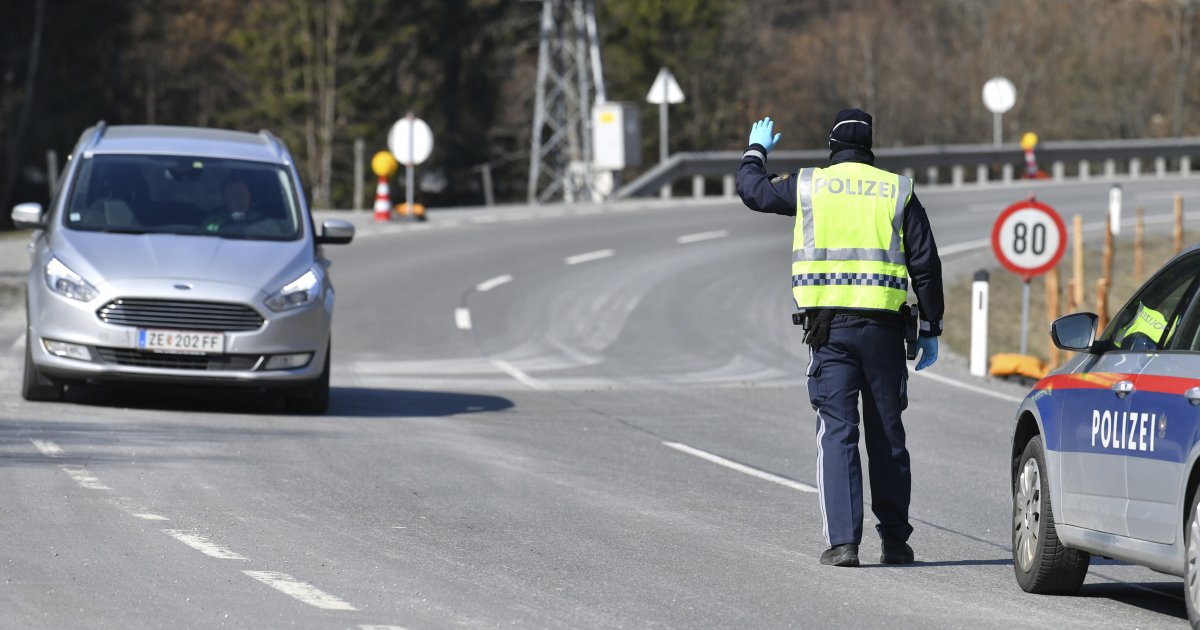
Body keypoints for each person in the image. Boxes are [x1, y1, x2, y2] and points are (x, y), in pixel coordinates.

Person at [735, 109, 944, 568]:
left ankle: (844, 543)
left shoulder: (811, 185)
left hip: (830, 333)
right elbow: (925, 264)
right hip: (886, 333)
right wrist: (931, 328)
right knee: (888, 434)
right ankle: (895, 541)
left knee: (837, 432)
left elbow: (753, 192)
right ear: (870, 146)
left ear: (833, 146)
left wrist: (756, 150)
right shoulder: (897, 190)